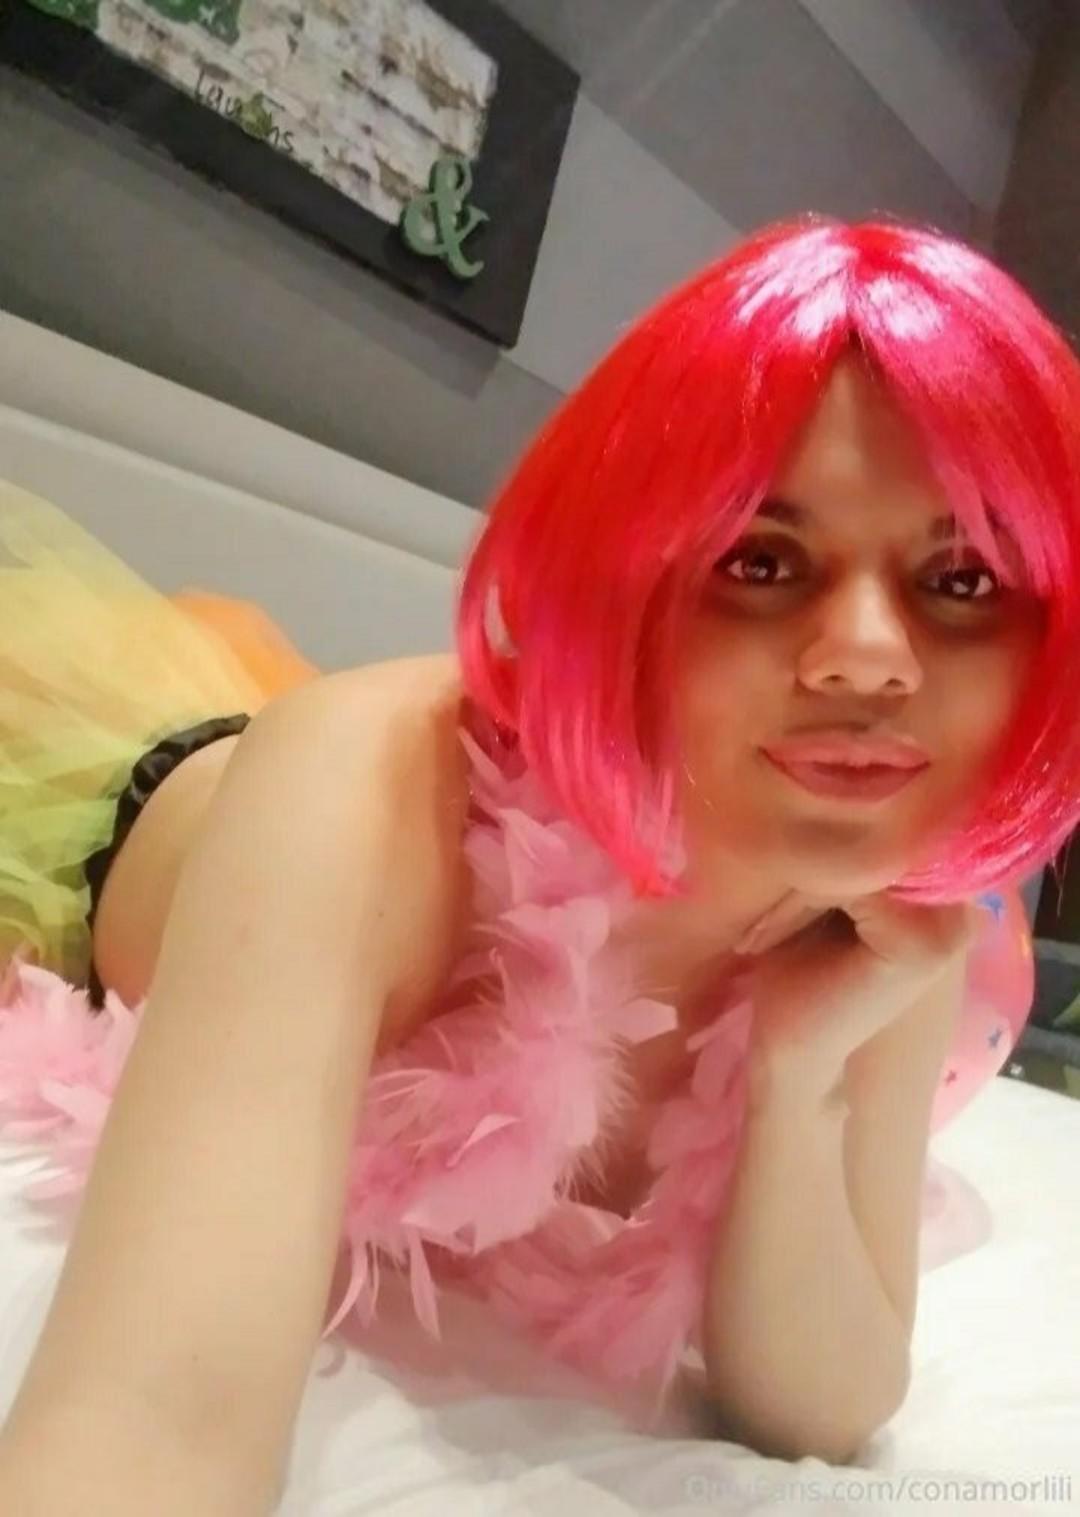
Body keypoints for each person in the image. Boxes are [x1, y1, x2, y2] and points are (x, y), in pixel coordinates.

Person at [0, 212, 1076, 1514]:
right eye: (760, 560)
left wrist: (798, 1085)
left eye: (963, 581)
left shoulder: (897, 920)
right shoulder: (358, 791)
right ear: (626, 577)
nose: (866, 657)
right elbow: (150, 1425)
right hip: (76, 801)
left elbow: (828, 1403)